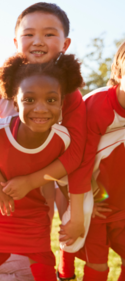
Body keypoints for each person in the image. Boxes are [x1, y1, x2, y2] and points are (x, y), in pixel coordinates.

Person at [0, 53, 84, 281]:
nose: (40, 109)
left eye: (50, 100)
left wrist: (32, 183)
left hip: (32, 216)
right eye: (29, 100)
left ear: (61, 103)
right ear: (15, 101)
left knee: (44, 267)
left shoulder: (61, 139)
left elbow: (64, 170)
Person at [60, 41, 125, 281]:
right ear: (118, 74)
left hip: (122, 204)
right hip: (95, 199)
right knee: (97, 266)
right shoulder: (97, 106)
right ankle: (65, 271)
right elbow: (79, 163)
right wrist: (83, 207)